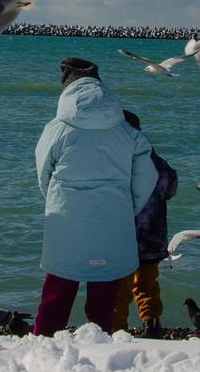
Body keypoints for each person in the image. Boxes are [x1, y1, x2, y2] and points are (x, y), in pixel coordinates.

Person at [33, 58, 158, 335]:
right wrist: (128, 208)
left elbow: (44, 173)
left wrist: (55, 198)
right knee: (104, 296)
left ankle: (43, 346)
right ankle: (100, 348)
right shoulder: (126, 130)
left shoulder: (57, 128)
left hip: (66, 220)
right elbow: (147, 176)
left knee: (57, 292)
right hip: (113, 221)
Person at [110, 109, 179, 337]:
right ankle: (152, 324)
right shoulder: (156, 159)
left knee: (120, 289)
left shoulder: (120, 159)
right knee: (148, 283)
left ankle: (117, 330)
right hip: (154, 236)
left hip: (126, 236)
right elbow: (171, 187)